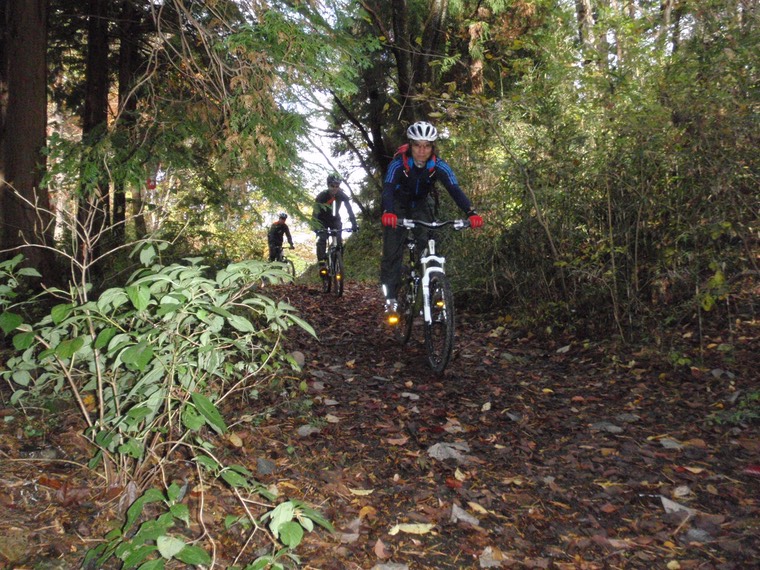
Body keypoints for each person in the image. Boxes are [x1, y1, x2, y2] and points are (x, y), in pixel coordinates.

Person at [380, 120, 483, 320]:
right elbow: (388, 188)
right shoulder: (398, 164)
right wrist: (389, 212)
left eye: (426, 146)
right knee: (392, 251)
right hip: (398, 205)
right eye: (417, 145)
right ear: (410, 145)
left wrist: (471, 212)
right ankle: (390, 299)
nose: (422, 150)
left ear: (432, 147)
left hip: (420, 205)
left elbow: (454, 188)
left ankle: (431, 283)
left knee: (428, 241)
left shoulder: (439, 165)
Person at [312, 173, 358, 269]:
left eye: (337, 186)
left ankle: (338, 261)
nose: (335, 188)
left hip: (335, 219)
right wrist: (315, 226)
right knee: (322, 238)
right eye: (332, 186)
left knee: (339, 240)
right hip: (322, 220)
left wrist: (354, 224)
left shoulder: (341, 195)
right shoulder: (322, 196)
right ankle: (321, 263)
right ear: (328, 185)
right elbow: (315, 212)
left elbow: (349, 210)